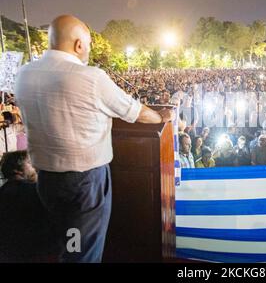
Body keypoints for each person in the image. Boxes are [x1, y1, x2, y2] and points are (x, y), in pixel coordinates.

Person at [14, 15, 175, 263]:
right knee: (83, 252)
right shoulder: (90, 77)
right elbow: (136, 112)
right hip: (84, 182)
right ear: (79, 44)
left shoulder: (23, 74)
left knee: (66, 242)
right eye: (89, 44)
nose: (89, 50)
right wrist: (162, 115)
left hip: (46, 178)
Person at [0, 151, 53, 262]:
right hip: (36, 253)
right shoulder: (34, 191)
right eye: (29, 163)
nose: (35, 167)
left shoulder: (3, 191)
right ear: (17, 171)